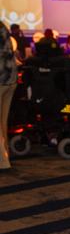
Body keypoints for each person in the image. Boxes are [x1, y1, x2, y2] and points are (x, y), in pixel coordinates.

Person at [0, 19, 18, 170]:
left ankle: (3, 160)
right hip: (10, 78)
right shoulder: (2, 27)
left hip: (1, 79)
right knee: (3, 122)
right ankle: (6, 156)